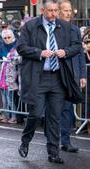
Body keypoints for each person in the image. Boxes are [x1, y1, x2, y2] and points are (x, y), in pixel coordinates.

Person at [17, 0, 81, 164]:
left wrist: (65, 52)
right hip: (38, 77)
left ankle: (53, 152)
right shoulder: (30, 26)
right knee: (36, 114)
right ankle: (25, 140)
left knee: (54, 117)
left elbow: (77, 46)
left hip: (58, 77)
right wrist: (39, 52)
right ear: (43, 10)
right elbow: (21, 48)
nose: (53, 14)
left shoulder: (65, 27)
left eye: (55, 11)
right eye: (50, 11)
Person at [58, 0, 86, 153]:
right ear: (59, 11)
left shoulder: (75, 30)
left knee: (68, 109)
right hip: (56, 74)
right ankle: (53, 140)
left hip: (72, 75)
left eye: (70, 10)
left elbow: (80, 53)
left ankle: (65, 141)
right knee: (56, 109)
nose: (69, 13)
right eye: (66, 10)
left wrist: (82, 74)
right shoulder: (53, 28)